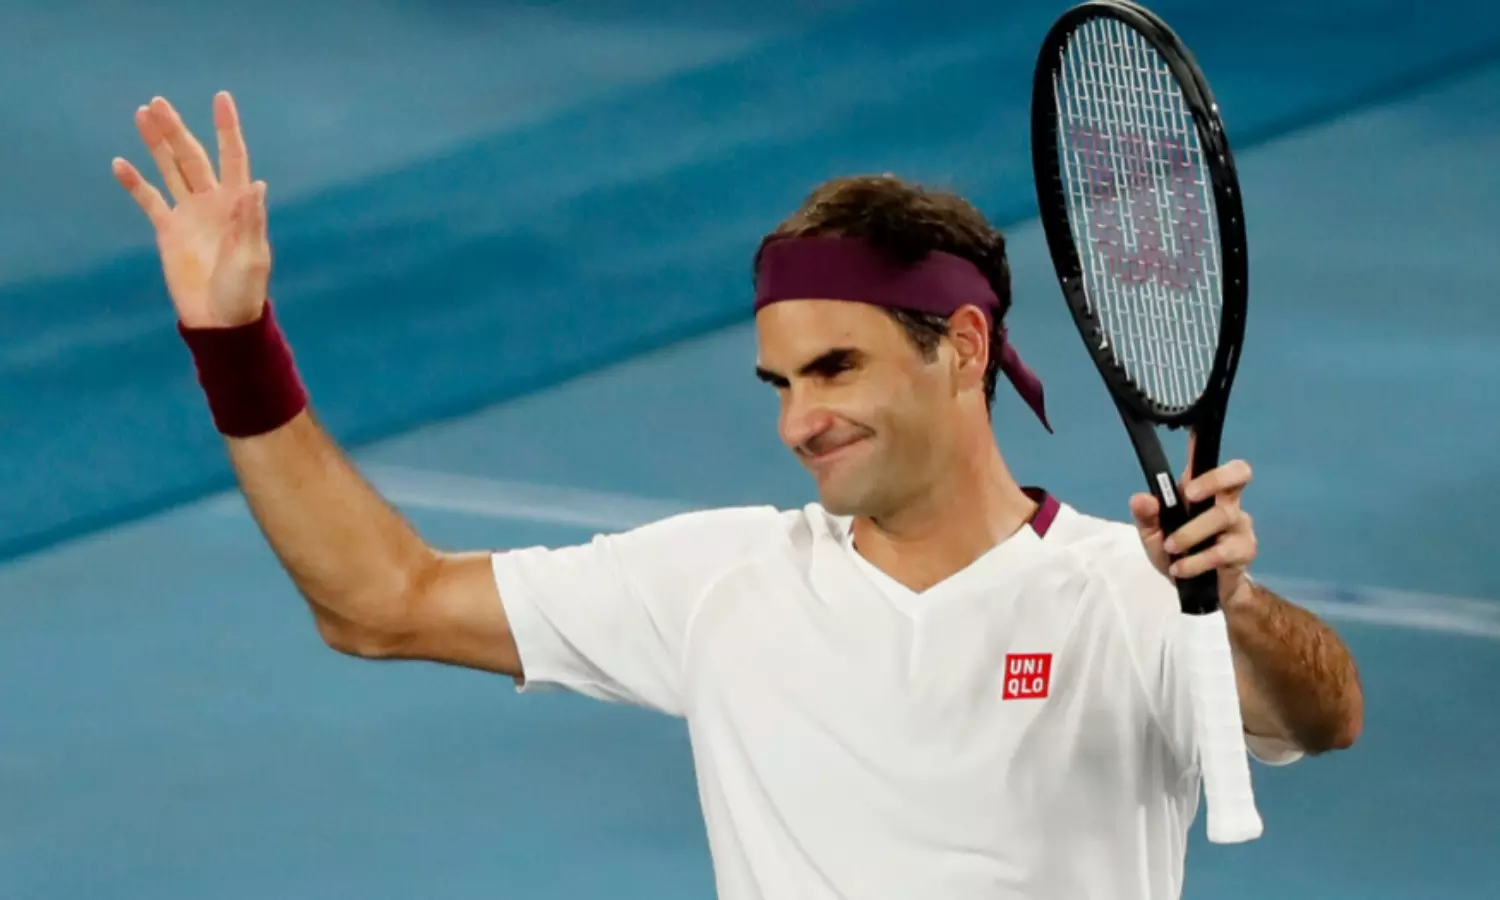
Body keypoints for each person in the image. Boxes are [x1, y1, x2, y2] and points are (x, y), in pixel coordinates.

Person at [112, 92, 1363, 900]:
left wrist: (1236, 606)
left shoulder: (1122, 591)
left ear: (963, 349)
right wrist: (233, 340)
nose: (796, 420)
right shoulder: (723, 583)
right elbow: (381, 602)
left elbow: (1323, 716)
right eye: (780, 381)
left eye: (836, 368)